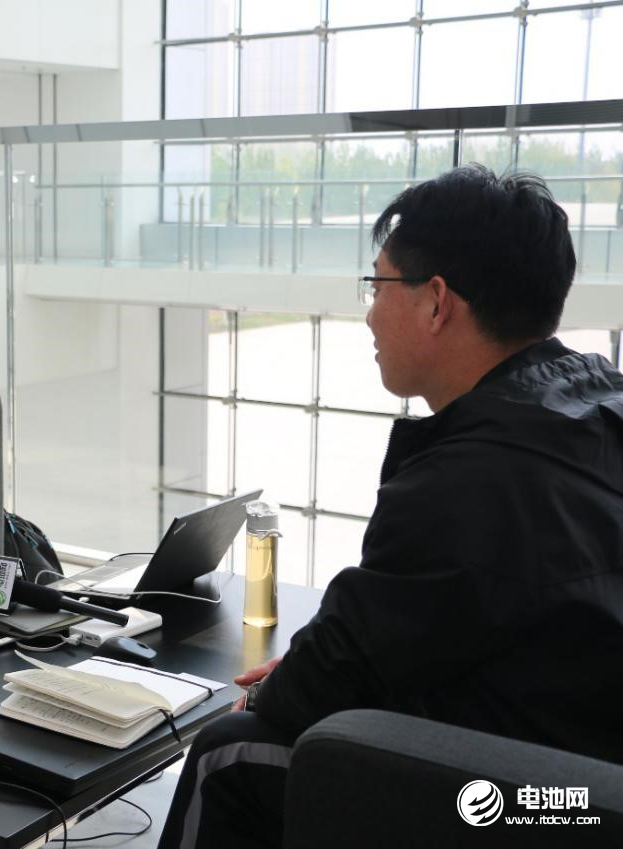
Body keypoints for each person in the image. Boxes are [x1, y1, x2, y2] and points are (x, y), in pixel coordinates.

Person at [159, 165, 623, 848]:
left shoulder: (471, 473)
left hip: (537, 803)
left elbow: (325, 676)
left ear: (435, 302)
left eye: (377, 286)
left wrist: (272, 690)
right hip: (588, 766)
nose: (370, 312)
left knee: (228, 750)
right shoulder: (598, 402)